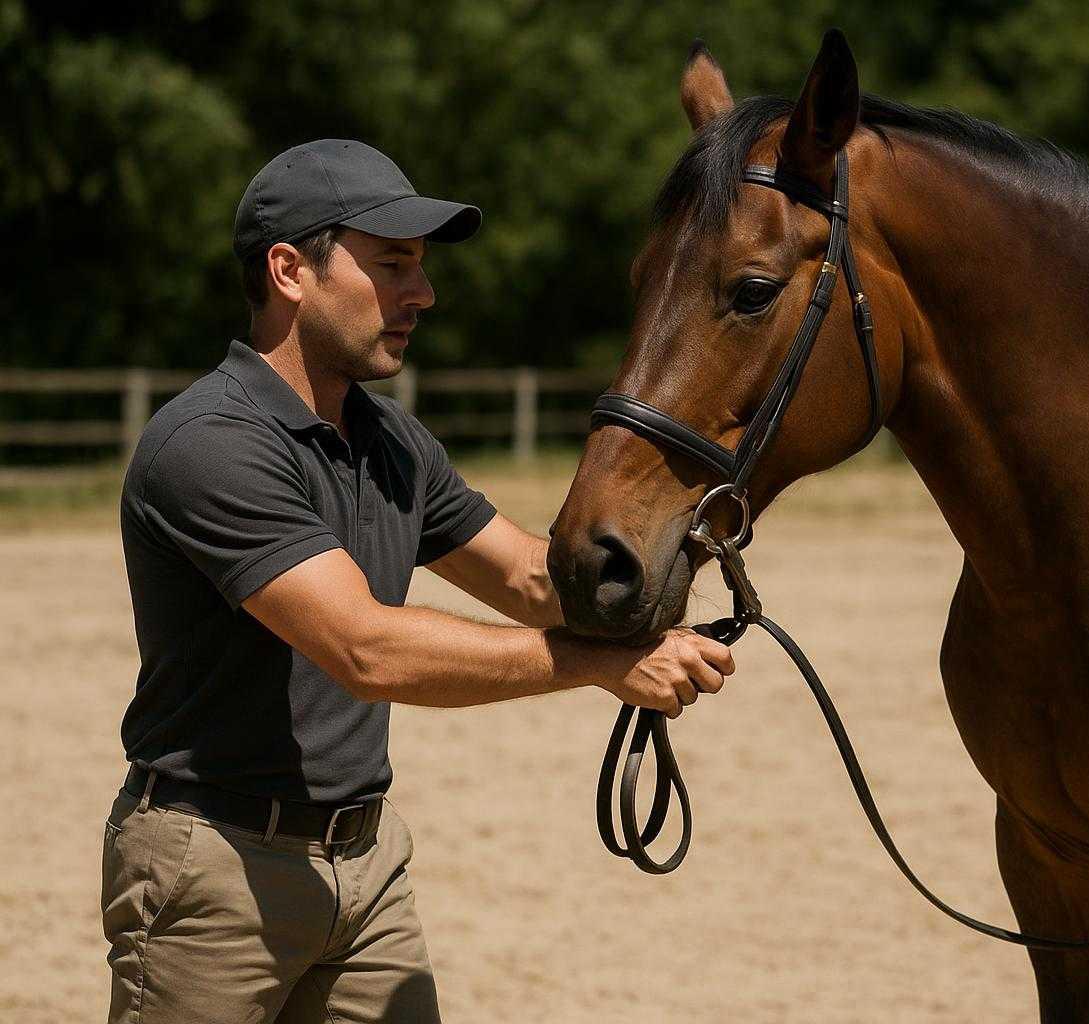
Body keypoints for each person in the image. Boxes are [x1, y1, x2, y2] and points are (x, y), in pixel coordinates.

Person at [104, 139, 734, 1023]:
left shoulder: (390, 440)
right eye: (393, 265)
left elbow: (526, 577)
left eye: (423, 268)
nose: (423, 294)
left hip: (369, 871)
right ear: (289, 271)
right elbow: (364, 648)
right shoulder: (211, 443)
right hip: (213, 872)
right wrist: (598, 665)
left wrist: (665, 564)